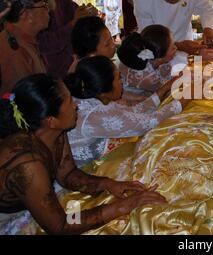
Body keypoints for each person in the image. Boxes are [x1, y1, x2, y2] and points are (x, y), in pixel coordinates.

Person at [0, 74, 166, 234]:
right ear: (51, 120)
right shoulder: (28, 163)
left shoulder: (55, 132)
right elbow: (60, 226)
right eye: (69, 101)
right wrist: (122, 206)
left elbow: (68, 174)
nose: (76, 105)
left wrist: (108, 184)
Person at [64, 56, 188, 167]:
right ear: (104, 91)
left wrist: (166, 88)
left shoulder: (91, 97)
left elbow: (134, 112)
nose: (122, 82)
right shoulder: (95, 114)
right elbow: (150, 122)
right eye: (118, 79)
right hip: (87, 170)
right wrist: (188, 95)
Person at [19, 0, 98, 79]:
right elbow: (43, 45)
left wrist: (87, 13)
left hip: (70, 65)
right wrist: (72, 24)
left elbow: (78, 18)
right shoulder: (22, 8)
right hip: (44, 72)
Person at [0, 0, 50, 94]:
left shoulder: (22, 40)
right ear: (27, 14)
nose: (48, 10)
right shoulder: (13, 50)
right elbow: (26, 101)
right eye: (44, 5)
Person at [117, 25, 177, 95]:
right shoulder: (148, 77)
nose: (176, 48)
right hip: (130, 99)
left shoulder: (152, 59)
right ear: (160, 57)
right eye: (172, 47)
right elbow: (163, 91)